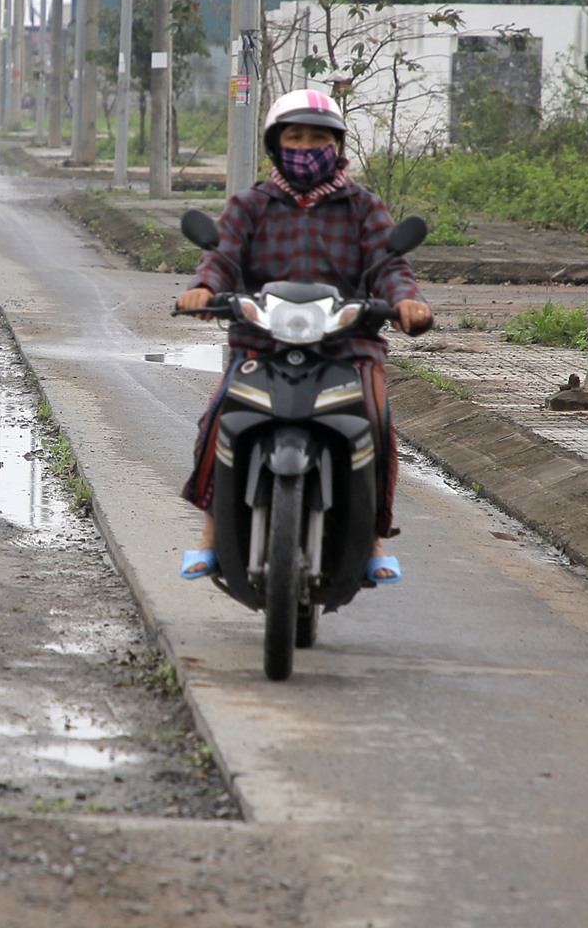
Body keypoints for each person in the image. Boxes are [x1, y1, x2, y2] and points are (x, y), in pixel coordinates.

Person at [174, 89, 432, 584]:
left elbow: (390, 265)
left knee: (376, 425)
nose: (307, 146)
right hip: (262, 342)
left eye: (318, 137)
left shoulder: (363, 206)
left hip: (347, 346)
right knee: (218, 420)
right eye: (296, 136)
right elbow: (221, 257)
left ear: (336, 146)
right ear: (277, 144)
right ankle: (210, 536)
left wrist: (406, 302)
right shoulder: (251, 204)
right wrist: (204, 290)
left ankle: (374, 540)